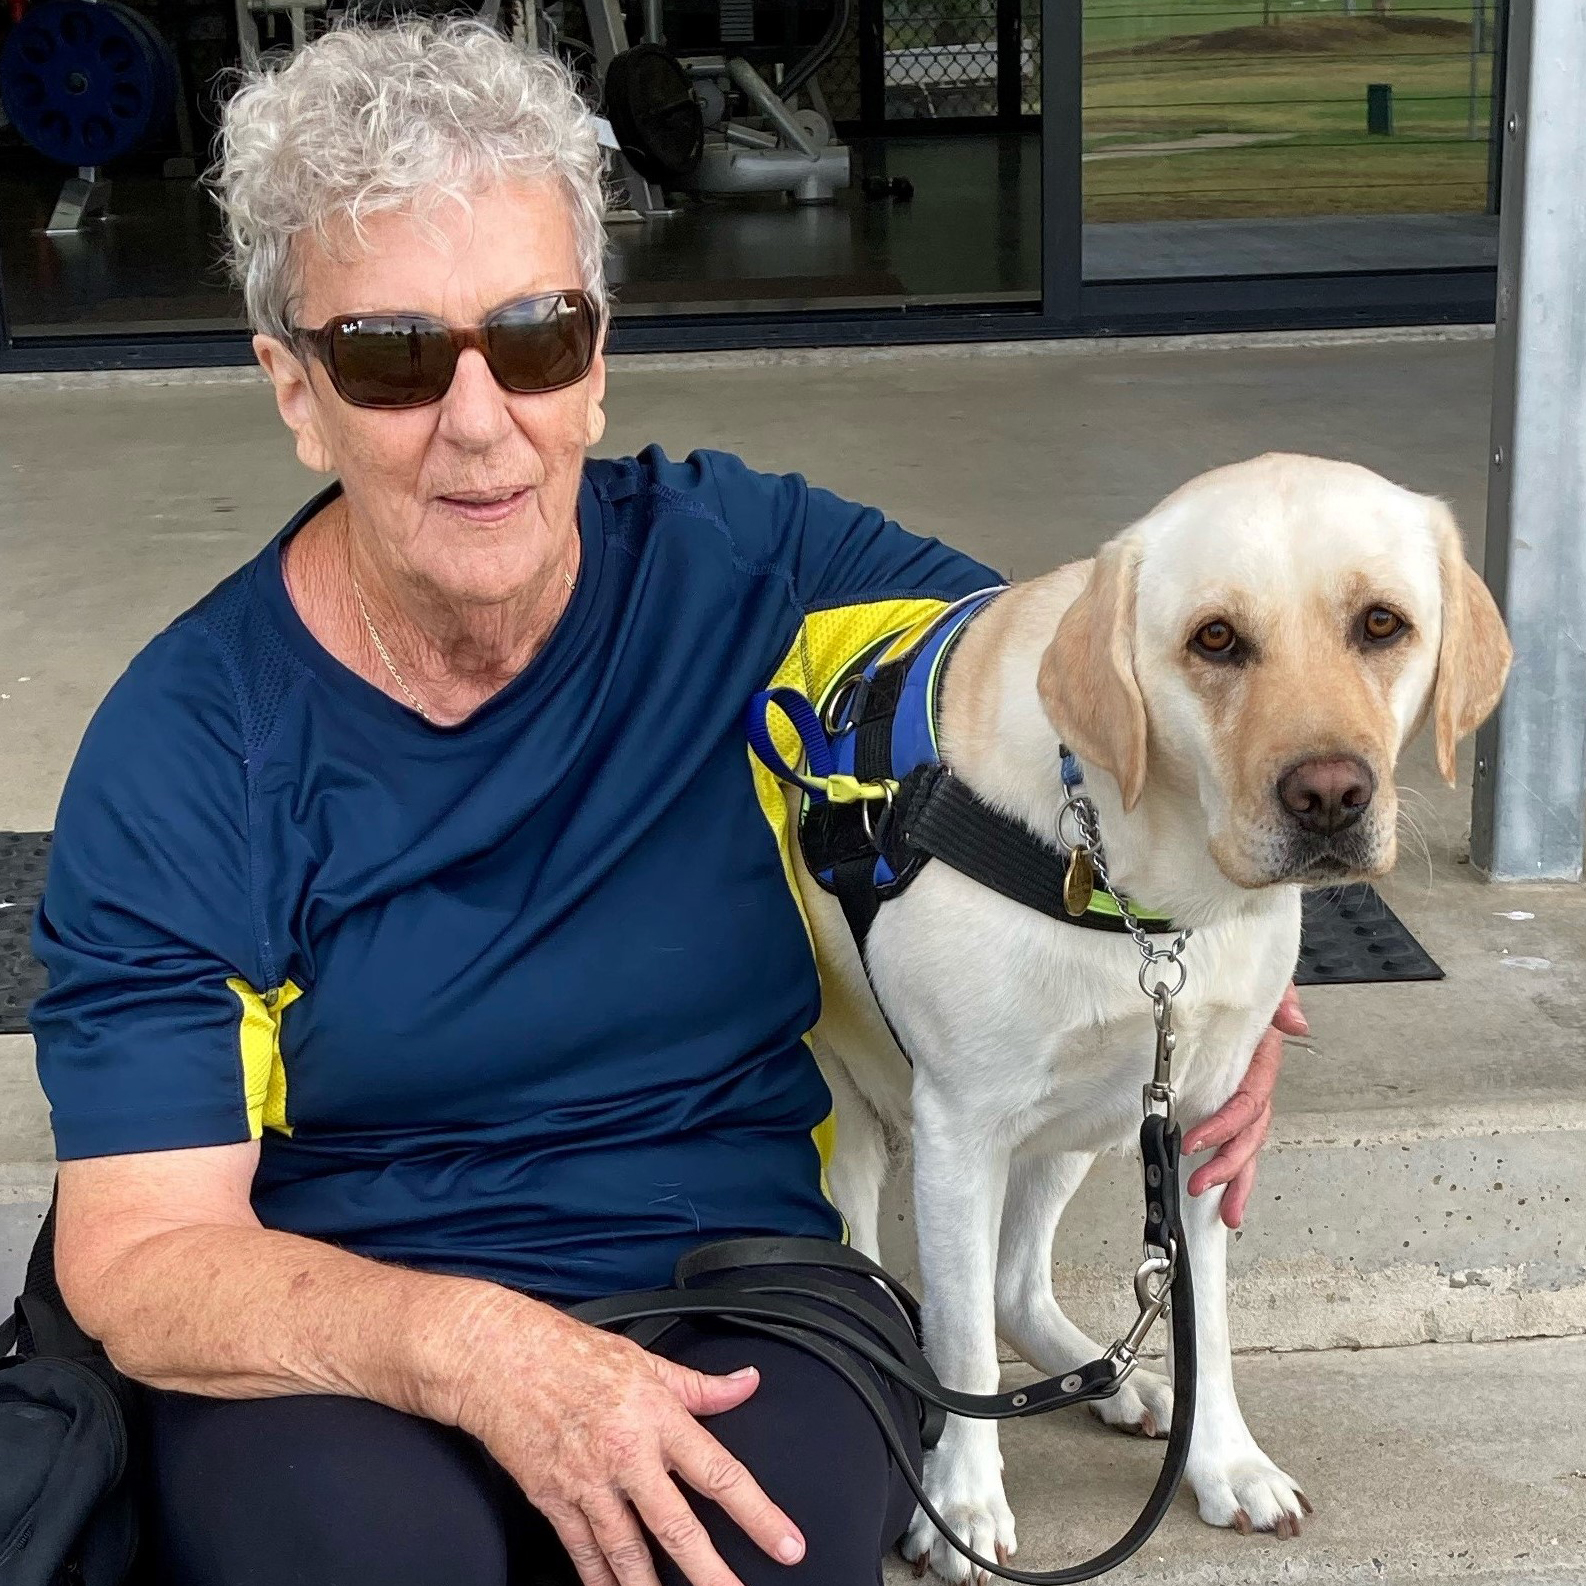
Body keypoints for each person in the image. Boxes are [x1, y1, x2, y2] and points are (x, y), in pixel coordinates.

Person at [28, 19, 1305, 1586]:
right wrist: (473, 1347)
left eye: (536, 335)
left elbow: (1091, 695)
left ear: (599, 360)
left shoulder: (763, 575)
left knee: (730, 1555)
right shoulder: (191, 747)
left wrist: (1232, 959)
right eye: (392, 356)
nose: (479, 418)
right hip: (348, 1297)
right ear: (297, 392)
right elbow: (141, 1257)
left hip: (731, 1274)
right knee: (362, 1556)